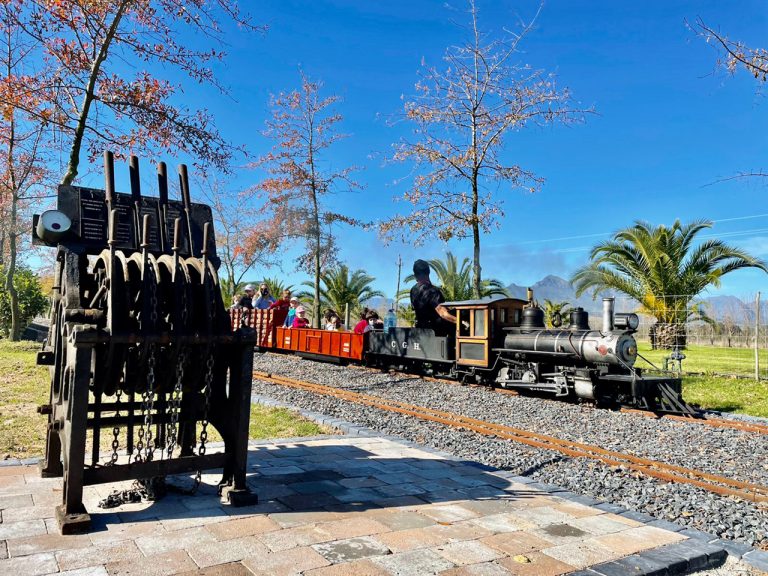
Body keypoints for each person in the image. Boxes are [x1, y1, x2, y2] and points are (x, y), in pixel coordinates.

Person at [409, 259, 456, 335]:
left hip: (420, 332)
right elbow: (443, 314)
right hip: (435, 333)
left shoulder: (413, 290)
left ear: (415, 275)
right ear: (428, 272)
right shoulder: (432, 291)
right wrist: (460, 322)